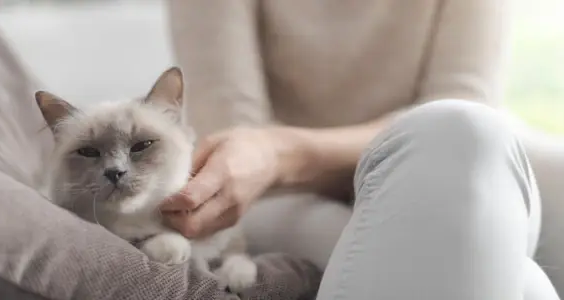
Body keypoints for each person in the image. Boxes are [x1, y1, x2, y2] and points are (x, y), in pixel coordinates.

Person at [161, 0, 561, 299]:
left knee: (466, 132)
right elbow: (237, 141)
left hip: (441, 159)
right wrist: (272, 156)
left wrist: (285, 151)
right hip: (274, 193)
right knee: (525, 286)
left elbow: (464, 102)